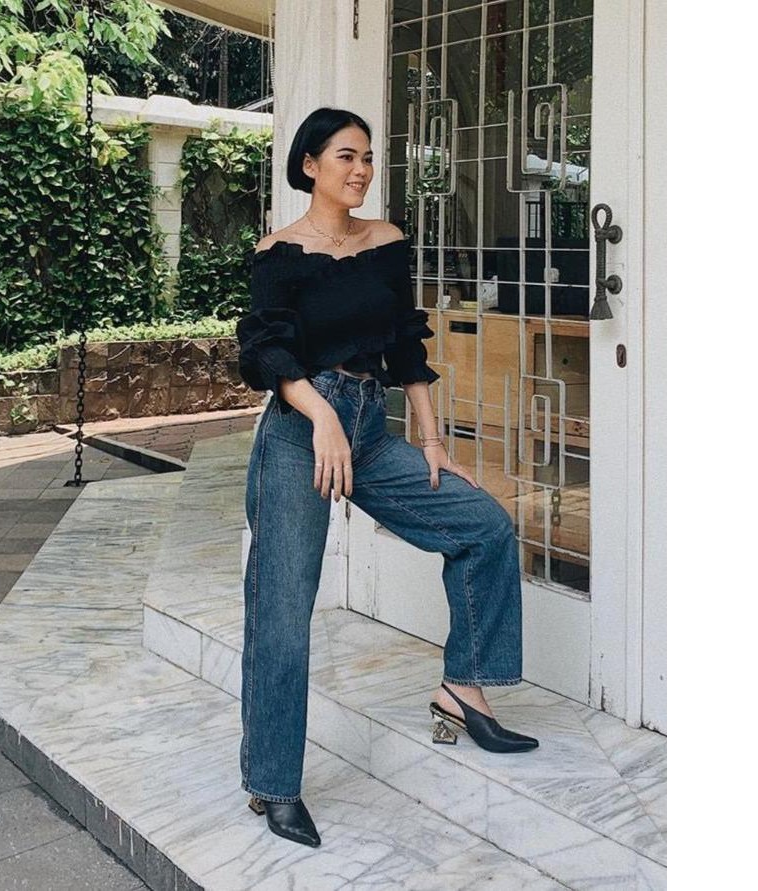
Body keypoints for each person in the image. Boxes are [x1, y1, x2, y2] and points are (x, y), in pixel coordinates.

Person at [235, 107, 538, 849]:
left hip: (369, 429)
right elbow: (266, 353)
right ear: (309, 166)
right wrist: (319, 416)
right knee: (282, 610)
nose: (362, 170)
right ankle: (273, 782)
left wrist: (431, 439)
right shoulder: (278, 253)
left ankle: (461, 690)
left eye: (367, 157)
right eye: (345, 156)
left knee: (483, 526)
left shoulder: (385, 242)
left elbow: (405, 345)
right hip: (300, 433)